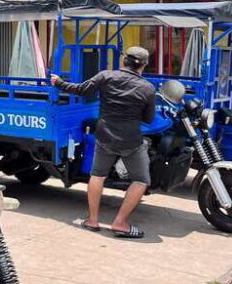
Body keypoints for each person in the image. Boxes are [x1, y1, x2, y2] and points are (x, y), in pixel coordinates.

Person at [50, 46, 156, 239]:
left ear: (124, 60)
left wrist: (59, 82)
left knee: (97, 176)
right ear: (143, 66)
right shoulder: (147, 88)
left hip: (105, 136)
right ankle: (120, 223)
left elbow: (80, 89)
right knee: (141, 180)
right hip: (131, 140)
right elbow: (148, 119)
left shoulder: (106, 76)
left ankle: (92, 220)